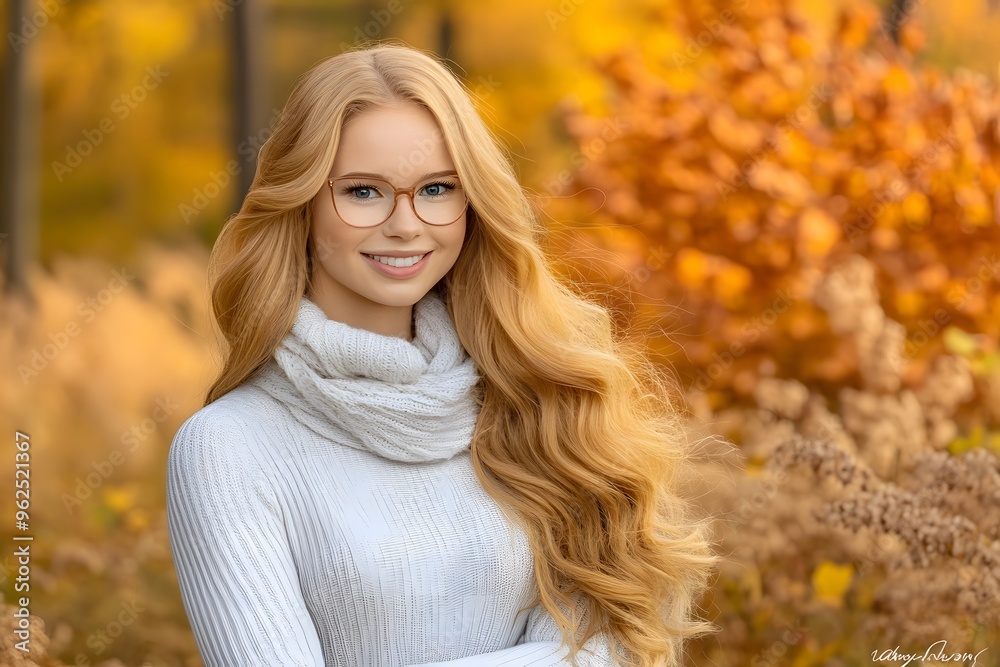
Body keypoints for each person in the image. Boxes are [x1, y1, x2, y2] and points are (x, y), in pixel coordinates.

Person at [165, 42, 716, 667]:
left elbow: (617, 649)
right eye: (365, 191)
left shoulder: (533, 400)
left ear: (471, 205)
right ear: (302, 202)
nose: (406, 224)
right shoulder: (226, 449)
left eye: (435, 188)